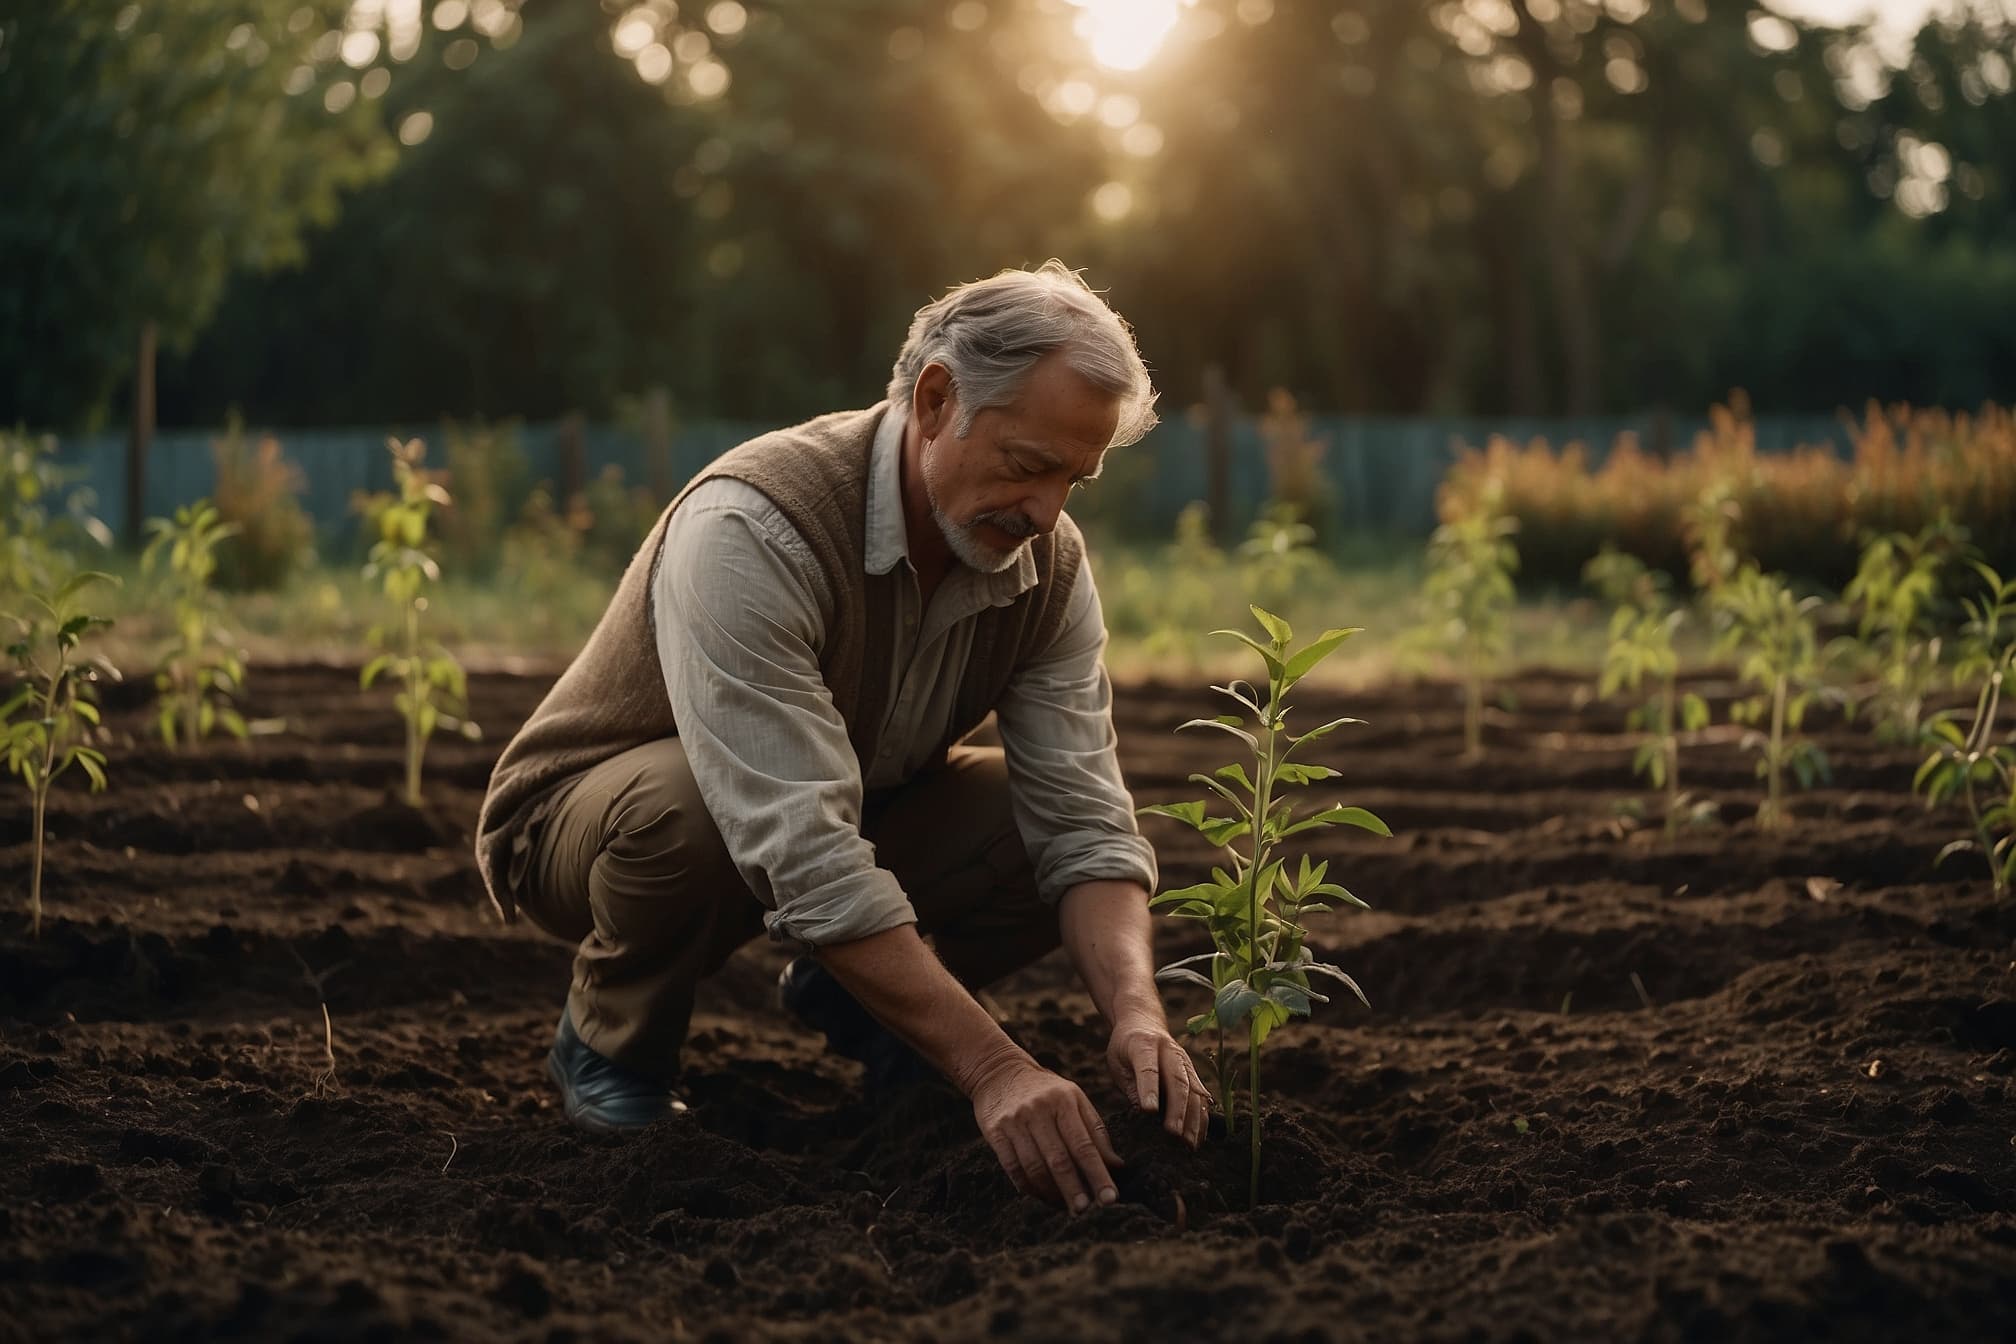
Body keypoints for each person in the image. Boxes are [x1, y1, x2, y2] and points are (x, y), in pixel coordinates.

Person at [474, 261, 1211, 1214]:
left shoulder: (1047, 569)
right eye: (1030, 465)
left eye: (1074, 478)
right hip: (594, 827)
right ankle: (611, 1044)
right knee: (691, 814)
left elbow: (1084, 819)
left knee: (1032, 824)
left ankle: (864, 1008)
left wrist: (1138, 1015)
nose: (1047, 512)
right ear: (937, 399)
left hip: (846, 803)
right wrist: (993, 1068)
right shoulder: (756, 524)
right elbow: (801, 847)